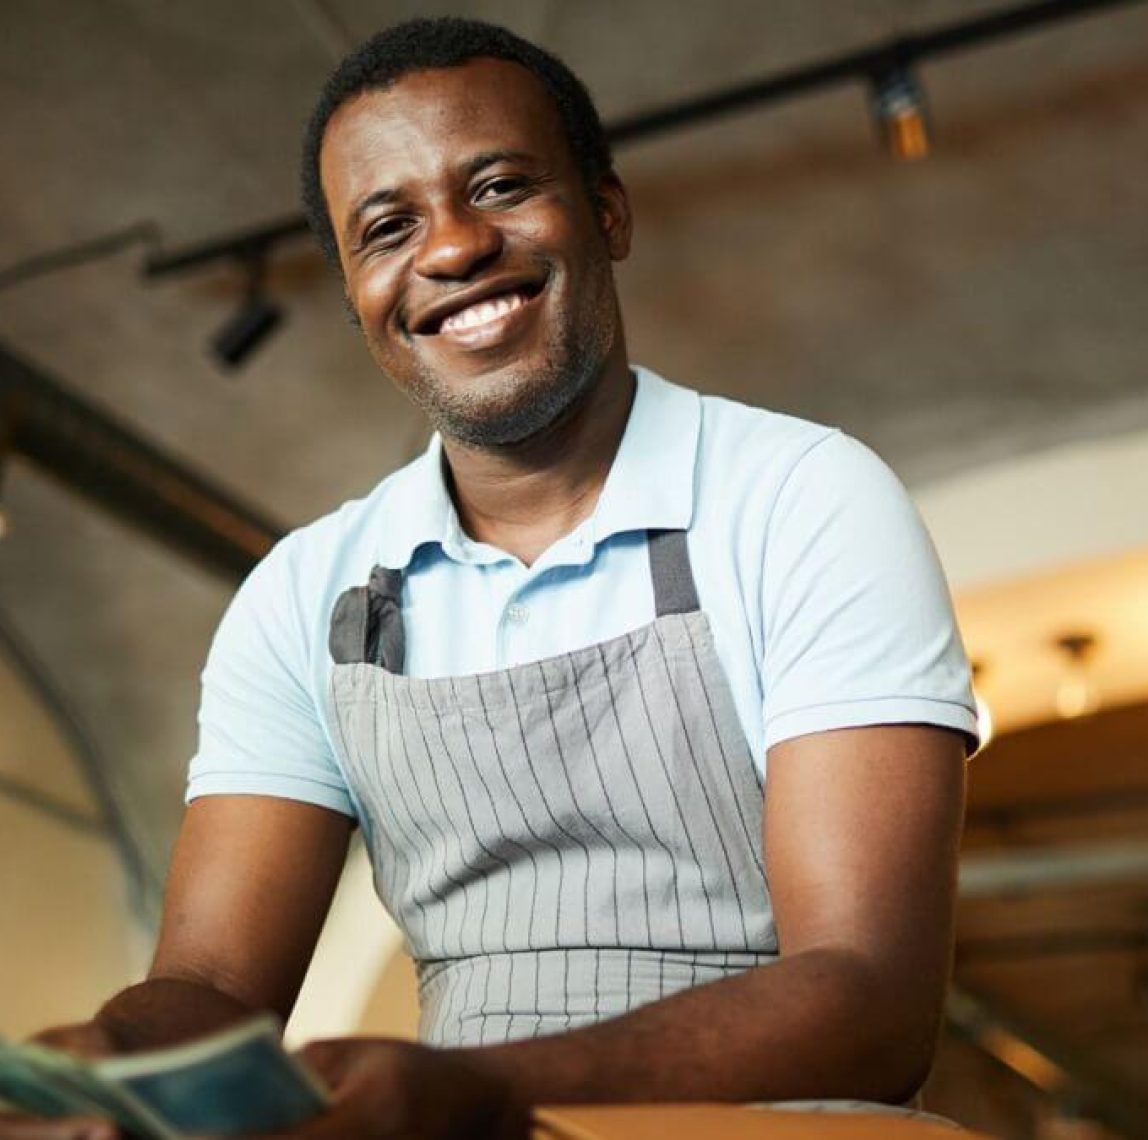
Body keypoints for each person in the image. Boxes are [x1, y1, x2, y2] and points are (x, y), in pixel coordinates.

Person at [2, 17, 975, 1139]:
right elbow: (216, 989)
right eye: (386, 227)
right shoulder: (300, 593)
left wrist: (485, 1090)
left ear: (606, 213)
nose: (453, 248)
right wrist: (104, 1056)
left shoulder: (802, 498)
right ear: (359, 293)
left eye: (501, 186)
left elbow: (872, 998)